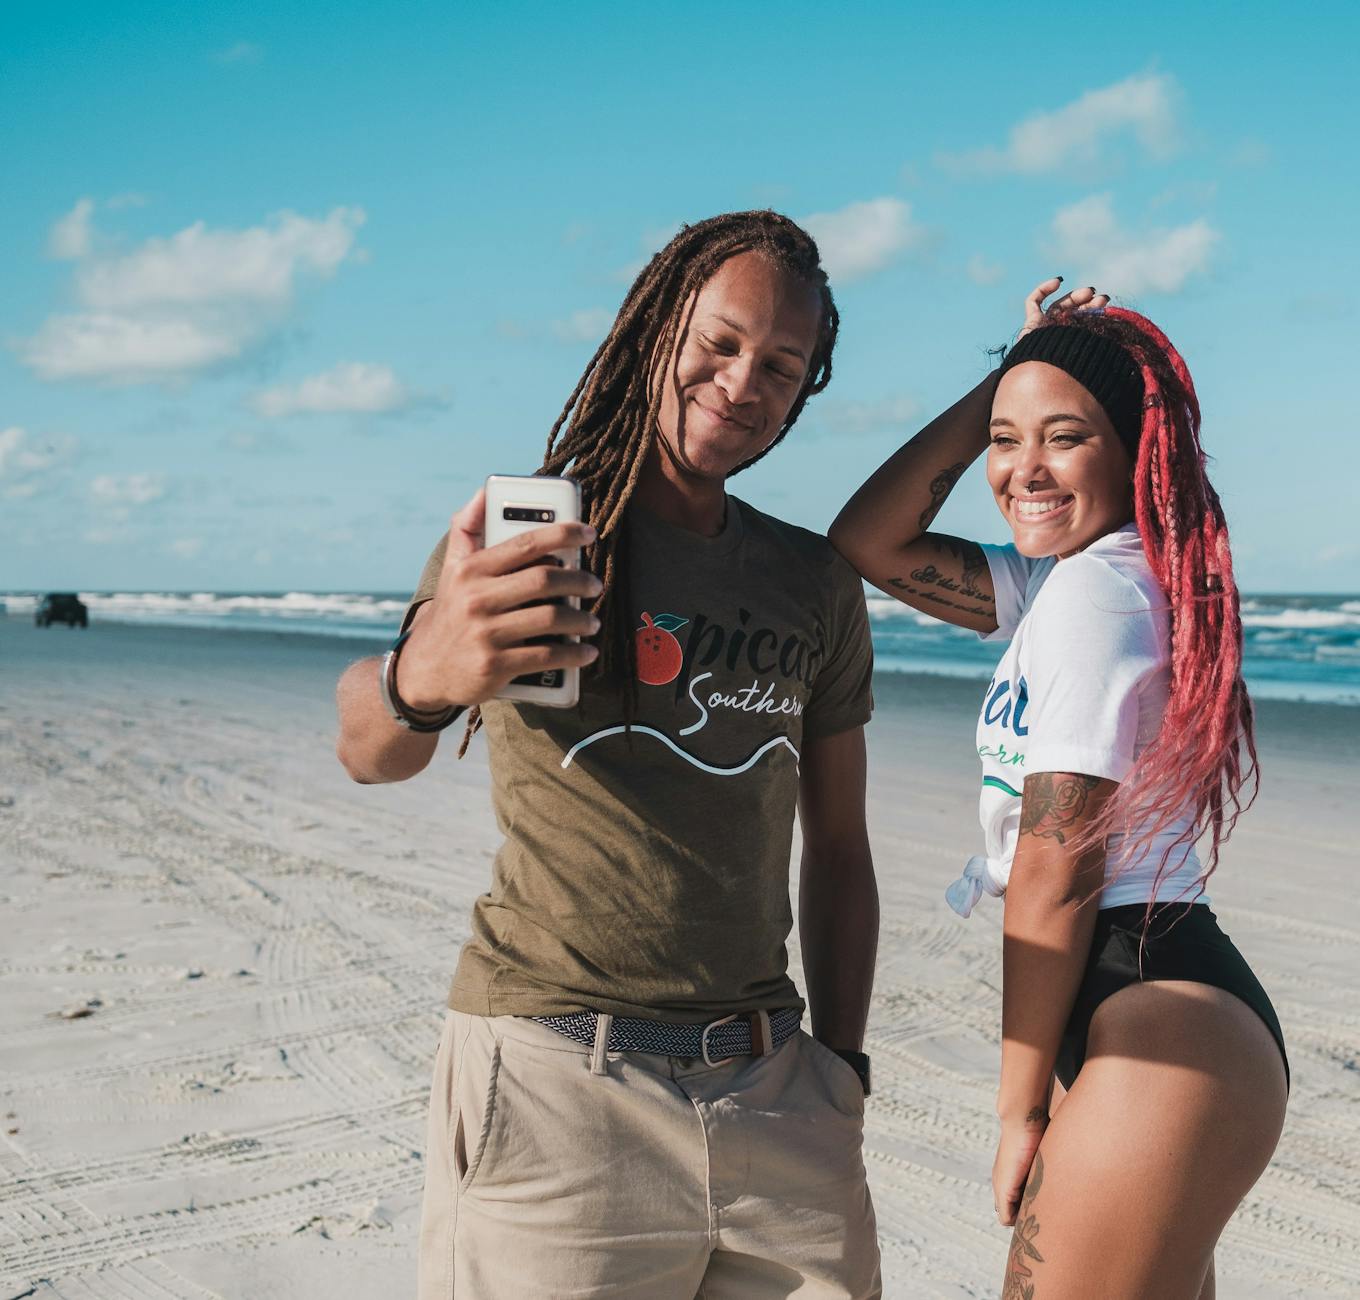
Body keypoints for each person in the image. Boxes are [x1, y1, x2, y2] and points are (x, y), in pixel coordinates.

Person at [335, 211, 882, 1299]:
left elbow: (838, 847)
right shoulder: (532, 542)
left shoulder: (810, 580)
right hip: (557, 1085)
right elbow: (368, 750)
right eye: (719, 342)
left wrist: (841, 1067)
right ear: (654, 328)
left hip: (773, 1089)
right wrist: (424, 673)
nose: (742, 382)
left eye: (782, 366)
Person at [830, 279, 1288, 1299]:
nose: (1021, 469)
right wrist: (1017, 369)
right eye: (1005, 440)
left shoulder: (1094, 592)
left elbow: (1056, 867)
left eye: (1065, 437)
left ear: (1133, 452)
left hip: (1154, 1009)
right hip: (1162, 1015)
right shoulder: (1065, 576)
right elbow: (868, 540)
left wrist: (1017, 1110)